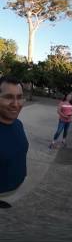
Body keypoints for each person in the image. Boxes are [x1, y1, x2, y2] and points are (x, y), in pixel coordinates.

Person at [0, 76, 29, 209]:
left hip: (12, 187)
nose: (16, 104)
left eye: (19, 97)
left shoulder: (18, 124)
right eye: (8, 97)